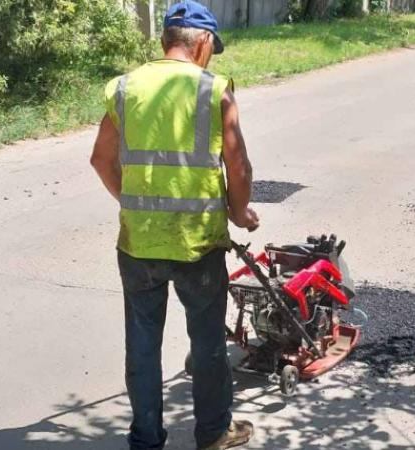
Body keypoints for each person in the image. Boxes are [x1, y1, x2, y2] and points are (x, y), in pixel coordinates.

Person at [90, 2, 259, 449]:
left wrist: (133, 201)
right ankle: (213, 433)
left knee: (142, 346)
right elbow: (237, 166)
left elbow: (100, 159)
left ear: (167, 39)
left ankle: (146, 440)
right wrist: (240, 212)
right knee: (206, 344)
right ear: (202, 41)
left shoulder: (126, 88)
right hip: (197, 244)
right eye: (212, 48)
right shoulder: (212, 90)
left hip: (138, 244)